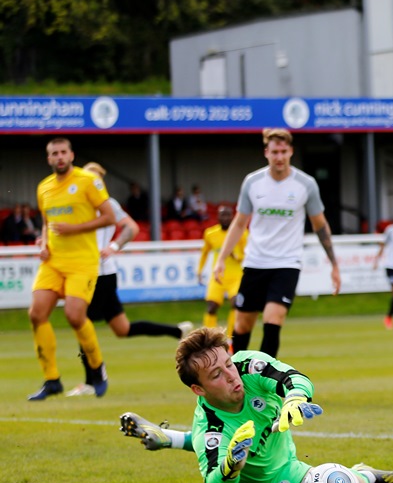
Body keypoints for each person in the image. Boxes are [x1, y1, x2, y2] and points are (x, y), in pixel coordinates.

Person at [118, 327, 393, 483]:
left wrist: (294, 399)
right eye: (216, 375)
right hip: (267, 482)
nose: (231, 375)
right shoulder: (210, 430)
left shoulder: (249, 366)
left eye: (228, 364)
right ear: (198, 389)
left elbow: (295, 378)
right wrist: (231, 466)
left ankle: (164, 438)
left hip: (280, 449)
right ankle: (366, 475)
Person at [65, 162, 193, 397]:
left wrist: (113, 246)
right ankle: (177, 331)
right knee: (122, 329)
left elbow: (131, 227)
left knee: (83, 324)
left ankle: (92, 381)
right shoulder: (74, 203)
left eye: (95, 180)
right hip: (89, 272)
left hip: (101, 274)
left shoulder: (108, 204)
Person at [213, 128, 341, 358]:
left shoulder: (306, 184)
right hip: (255, 262)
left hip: (287, 263)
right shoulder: (252, 182)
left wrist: (334, 264)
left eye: (284, 151)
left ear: (291, 151)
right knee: (242, 326)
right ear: (266, 153)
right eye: (275, 152)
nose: (279, 157)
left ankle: (265, 384)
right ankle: (239, 382)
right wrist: (221, 259)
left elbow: (320, 225)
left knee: (273, 320)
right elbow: (239, 223)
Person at [27, 137, 117, 400]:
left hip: (82, 261)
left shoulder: (88, 181)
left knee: (75, 316)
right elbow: (47, 223)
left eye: (63, 152)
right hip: (53, 261)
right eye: (54, 153)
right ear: (48, 158)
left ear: (71, 155)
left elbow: (109, 217)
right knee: (36, 314)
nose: (59, 157)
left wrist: (73, 229)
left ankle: (97, 368)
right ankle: (52, 379)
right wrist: (43, 242)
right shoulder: (43, 187)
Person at [198, 205, 247, 342]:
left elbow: (246, 254)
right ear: (218, 217)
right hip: (218, 275)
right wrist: (199, 270)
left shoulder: (242, 233)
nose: (225, 218)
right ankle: (208, 338)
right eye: (222, 215)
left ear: (232, 217)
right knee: (211, 306)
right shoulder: (210, 233)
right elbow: (204, 253)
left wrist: (235, 255)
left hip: (235, 275)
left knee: (236, 303)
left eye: (228, 215)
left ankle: (231, 337)